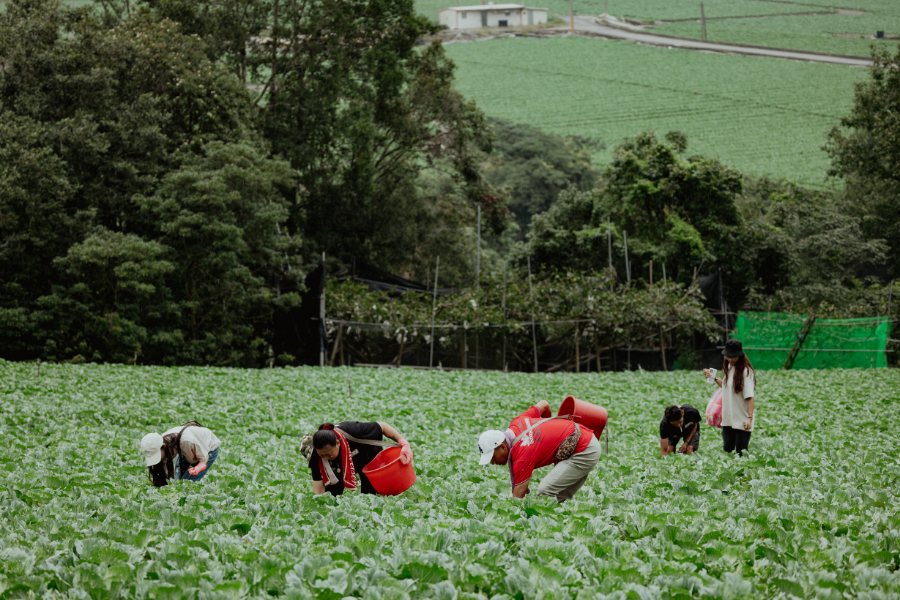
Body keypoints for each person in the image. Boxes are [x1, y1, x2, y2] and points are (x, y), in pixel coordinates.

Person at [477, 399, 601, 503]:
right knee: (560, 499)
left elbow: (517, 500)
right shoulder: (517, 422)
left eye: (492, 457)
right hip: (583, 438)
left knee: (545, 490)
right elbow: (544, 404)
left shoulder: (522, 454)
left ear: (503, 447)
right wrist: (547, 429)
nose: (493, 462)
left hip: (584, 450)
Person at [306, 422, 413, 496]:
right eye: (322, 455)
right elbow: (318, 489)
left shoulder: (353, 430)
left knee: (369, 495)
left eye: (328, 454)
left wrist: (404, 443)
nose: (325, 457)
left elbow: (383, 426)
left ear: (337, 443)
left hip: (366, 456)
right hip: (338, 467)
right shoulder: (316, 457)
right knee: (331, 495)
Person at [704, 338, 756, 455]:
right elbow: (726, 387)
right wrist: (713, 378)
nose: (730, 359)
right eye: (728, 356)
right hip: (728, 417)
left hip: (742, 418)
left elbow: (750, 396)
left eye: (733, 357)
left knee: (741, 452)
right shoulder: (728, 367)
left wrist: (750, 418)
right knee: (727, 448)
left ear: (740, 356)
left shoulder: (746, 372)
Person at [140, 421, 221, 487]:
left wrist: (198, 468)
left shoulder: (186, 441)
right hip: (185, 448)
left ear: (163, 446)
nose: (157, 459)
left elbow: (204, 458)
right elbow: (162, 467)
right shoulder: (163, 442)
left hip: (208, 447)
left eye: (156, 455)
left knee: (186, 484)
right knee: (177, 483)